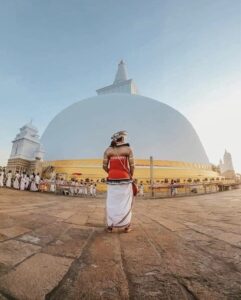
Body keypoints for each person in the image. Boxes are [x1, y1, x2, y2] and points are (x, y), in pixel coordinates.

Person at [103, 130, 135, 233]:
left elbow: (104, 166)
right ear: (122, 138)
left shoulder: (108, 151)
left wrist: (111, 172)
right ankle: (127, 226)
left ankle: (110, 226)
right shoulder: (128, 149)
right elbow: (132, 166)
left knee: (112, 202)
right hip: (125, 179)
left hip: (112, 179)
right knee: (125, 203)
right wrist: (130, 175)